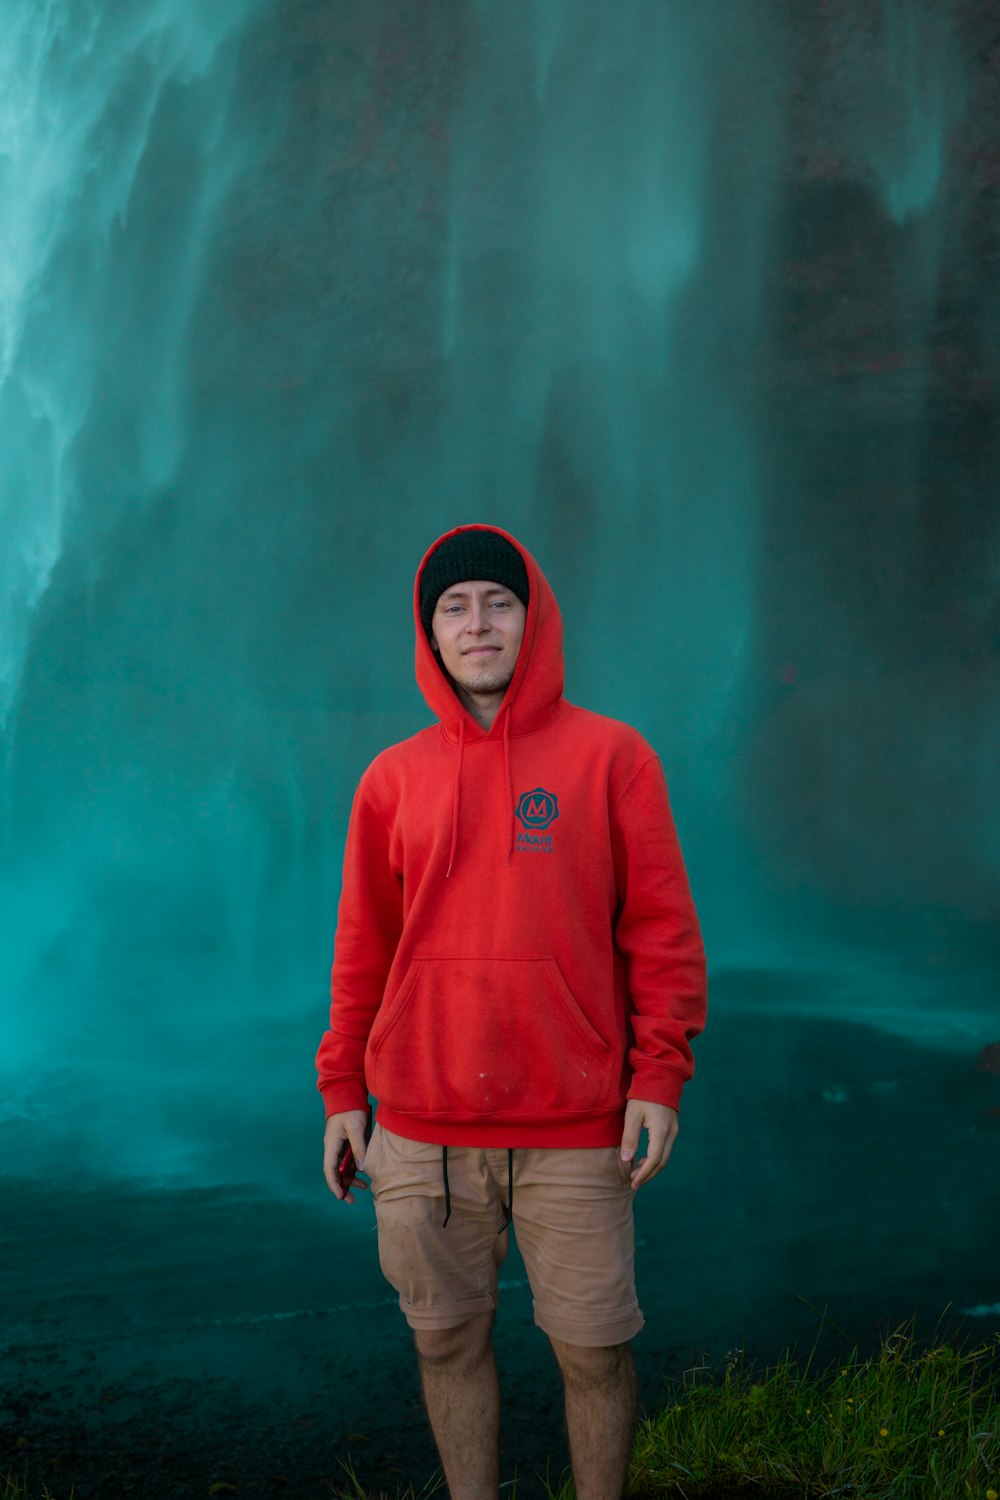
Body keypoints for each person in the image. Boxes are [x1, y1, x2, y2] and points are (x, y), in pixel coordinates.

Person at [315, 523, 707, 1500]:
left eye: (497, 600)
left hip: (577, 1125)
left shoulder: (613, 757)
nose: (477, 622)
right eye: (453, 607)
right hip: (417, 1128)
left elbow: (659, 927)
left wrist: (657, 1073)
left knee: (594, 1354)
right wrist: (340, 1091)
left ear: (533, 620)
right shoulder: (390, 778)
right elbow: (363, 946)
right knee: (446, 1347)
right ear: (429, 635)